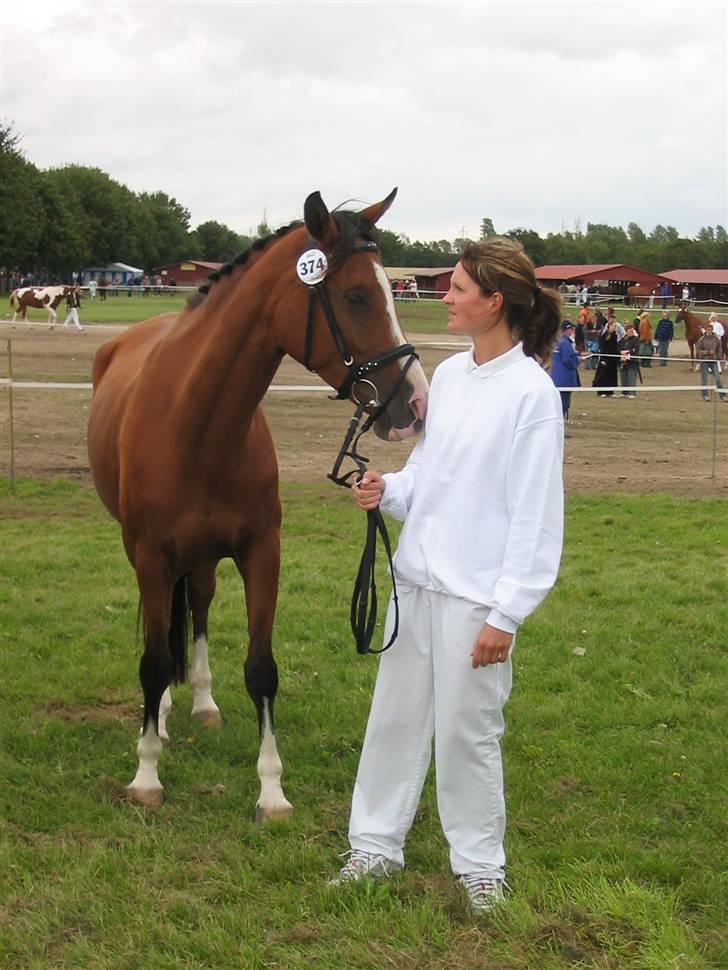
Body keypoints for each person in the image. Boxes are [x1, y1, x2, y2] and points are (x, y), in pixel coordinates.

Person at [332, 238, 565, 915]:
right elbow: (432, 481)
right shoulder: (451, 377)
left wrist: (507, 613)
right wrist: (389, 492)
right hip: (417, 586)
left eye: (458, 287)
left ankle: (480, 865)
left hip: (476, 602)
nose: (446, 296)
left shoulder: (532, 396)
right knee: (394, 721)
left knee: (469, 733)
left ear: (494, 302)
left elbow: (535, 516)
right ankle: (374, 845)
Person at [551, 320, 584, 431]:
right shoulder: (565, 343)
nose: (572, 331)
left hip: (556, 378)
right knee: (563, 405)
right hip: (564, 379)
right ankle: (559, 429)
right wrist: (577, 360)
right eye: (571, 329)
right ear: (566, 330)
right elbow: (567, 360)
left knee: (558, 405)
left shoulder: (556, 342)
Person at [695, 323, 727, 402]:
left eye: (710, 330)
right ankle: (705, 395)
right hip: (704, 361)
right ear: (705, 330)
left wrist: (718, 356)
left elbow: (719, 348)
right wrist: (708, 352)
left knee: (718, 379)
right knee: (704, 379)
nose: (709, 331)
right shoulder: (701, 339)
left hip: (713, 361)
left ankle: (723, 396)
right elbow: (698, 350)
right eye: (708, 330)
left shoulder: (716, 339)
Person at [592, 318, 619, 396]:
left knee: (611, 375)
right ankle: (601, 392)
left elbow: (615, 347)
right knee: (603, 375)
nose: (614, 327)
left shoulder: (615, 335)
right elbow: (603, 348)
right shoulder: (604, 336)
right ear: (609, 326)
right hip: (605, 359)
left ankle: (610, 392)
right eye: (613, 326)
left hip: (612, 359)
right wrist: (603, 359)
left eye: (615, 326)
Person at [618, 321, 640, 397]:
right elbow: (618, 347)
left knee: (631, 377)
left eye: (632, 331)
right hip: (622, 361)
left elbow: (636, 349)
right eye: (629, 331)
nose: (631, 332)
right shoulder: (622, 340)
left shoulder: (636, 339)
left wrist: (628, 352)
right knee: (623, 377)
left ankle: (632, 392)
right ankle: (624, 392)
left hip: (632, 362)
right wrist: (621, 352)